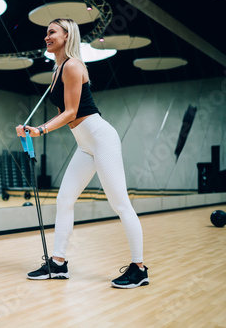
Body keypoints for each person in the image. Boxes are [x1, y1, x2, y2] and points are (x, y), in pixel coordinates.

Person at [16, 18, 148, 288]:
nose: (46, 37)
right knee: (64, 200)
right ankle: (59, 263)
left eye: (51, 32)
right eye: (46, 33)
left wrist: (39, 131)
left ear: (67, 36)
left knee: (120, 204)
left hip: (101, 139)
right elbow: (63, 114)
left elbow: (72, 112)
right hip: (84, 144)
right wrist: (33, 129)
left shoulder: (73, 66)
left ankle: (139, 268)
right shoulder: (57, 70)